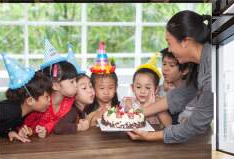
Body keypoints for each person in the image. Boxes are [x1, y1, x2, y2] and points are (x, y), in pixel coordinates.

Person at [128, 10, 213, 146]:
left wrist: (150, 136)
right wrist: (137, 114)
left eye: (169, 43)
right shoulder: (201, 63)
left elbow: (196, 125)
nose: (169, 50)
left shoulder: (210, 69)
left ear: (185, 41)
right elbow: (179, 95)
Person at [22, 39, 78, 138]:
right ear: (56, 85)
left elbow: (61, 123)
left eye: (76, 81)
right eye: (72, 81)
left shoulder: (69, 102)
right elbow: (23, 125)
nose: (76, 85)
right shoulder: (41, 103)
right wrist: (30, 130)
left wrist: (47, 128)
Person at [0, 54, 52, 142]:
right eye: (47, 97)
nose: (50, 100)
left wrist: (9, 132)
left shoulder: (20, 114)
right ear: (30, 100)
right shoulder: (11, 110)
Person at [86, 41, 120, 127]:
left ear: (116, 88)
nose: (106, 92)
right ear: (93, 88)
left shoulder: (119, 107)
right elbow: (88, 126)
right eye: (101, 88)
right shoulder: (88, 108)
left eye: (110, 88)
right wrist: (99, 114)